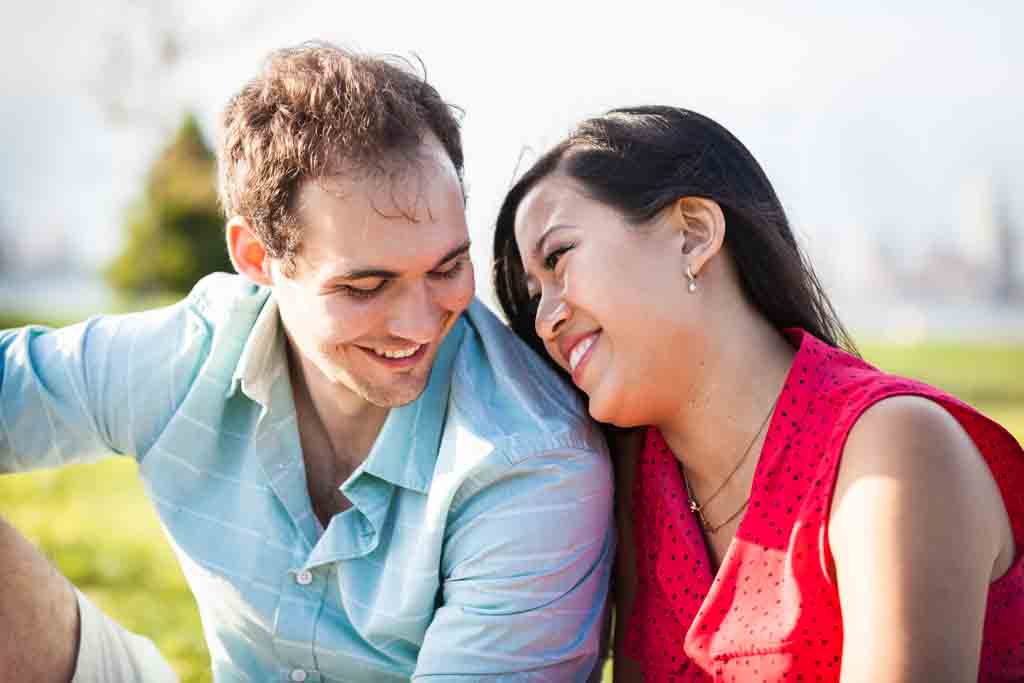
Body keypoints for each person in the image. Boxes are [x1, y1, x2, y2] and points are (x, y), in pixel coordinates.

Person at [0, 43, 614, 682]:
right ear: (256, 259)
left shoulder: (533, 462)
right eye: (365, 286)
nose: (418, 321)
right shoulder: (191, 351)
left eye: (445, 267)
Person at [493, 106, 1024, 682]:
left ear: (693, 235)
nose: (545, 320)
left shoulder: (891, 451)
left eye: (558, 258)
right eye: (532, 295)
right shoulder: (629, 483)